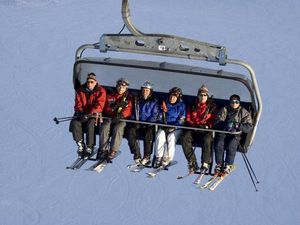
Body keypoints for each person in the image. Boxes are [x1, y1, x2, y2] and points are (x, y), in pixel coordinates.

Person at [181, 85, 217, 174]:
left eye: (205, 95)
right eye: (201, 95)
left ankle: (205, 162)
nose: (203, 97)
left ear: (207, 96)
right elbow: (188, 117)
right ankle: (192, 162)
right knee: (185, 138)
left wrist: (207, 126)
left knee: (207, 139)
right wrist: (193, 125)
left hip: (205, 129)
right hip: (194, 128)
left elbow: (215, 120)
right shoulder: (193, 105)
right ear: (198, 96)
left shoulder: (212, 107)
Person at [213, 94, 253, 174]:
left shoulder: (243, 112)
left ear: (239, 103)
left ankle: (228, 164)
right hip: (224, 132)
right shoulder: (224, 110)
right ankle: (219, 164)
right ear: (230, 102)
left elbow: (249, 127)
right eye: (232, 102)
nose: (234, 104)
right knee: (219, 144)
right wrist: (226, 125)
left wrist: (237, 125)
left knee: (231, 145)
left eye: (236, 102)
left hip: (235, 134)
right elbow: (217, 122)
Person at [71, 73, 107, 158]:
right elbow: (78, 103)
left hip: (94, 115)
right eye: (88, 82)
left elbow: (100, 105)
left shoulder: (101, 91)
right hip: (83, 113)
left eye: (91, 82)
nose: (89, 84)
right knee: (75, 122)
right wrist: (79, 112)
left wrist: (90, 113)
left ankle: (89, 146)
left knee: (90, 124)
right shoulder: (81, 90)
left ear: (95, 82)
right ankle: (80, 144)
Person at [97, 78, 133, 162]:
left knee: (118, 129)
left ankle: (113, 150)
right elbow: (105, 107)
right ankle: (103, 149)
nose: (121, 89)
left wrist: (121, 115)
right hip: (110, 117)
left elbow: (129, 109)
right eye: (119, 87)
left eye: (123, 87)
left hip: (121, 119)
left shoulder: (128, 98)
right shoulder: (110, 96)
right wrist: (111, 109)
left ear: (126, 88)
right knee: (104, 126)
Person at [127, 81, 160, 166]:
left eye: (147, 90)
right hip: (138, 122)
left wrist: (148, 123)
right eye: (144, 90)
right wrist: (135, 121)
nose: (145, 92)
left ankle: (147, 156)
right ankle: (136, 155)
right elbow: (133, 112)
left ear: (150, 91)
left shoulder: (154, 101)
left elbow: (155, 115)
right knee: (130, 132)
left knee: (148, 135)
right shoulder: (137, 100)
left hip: (148, 124)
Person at [154, 87, 186, 168]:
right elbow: (158, 115)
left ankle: (167, 158)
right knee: (160, 135)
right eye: (171, 96)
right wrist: (162, 123)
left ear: (178, 98)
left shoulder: (181, 106)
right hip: (164, 126)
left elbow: (182, 120)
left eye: (175, 97)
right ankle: (158, 157)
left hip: (176, 128)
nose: (172, 98)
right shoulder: (164, 103)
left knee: (171, 137)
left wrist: (174, 127)